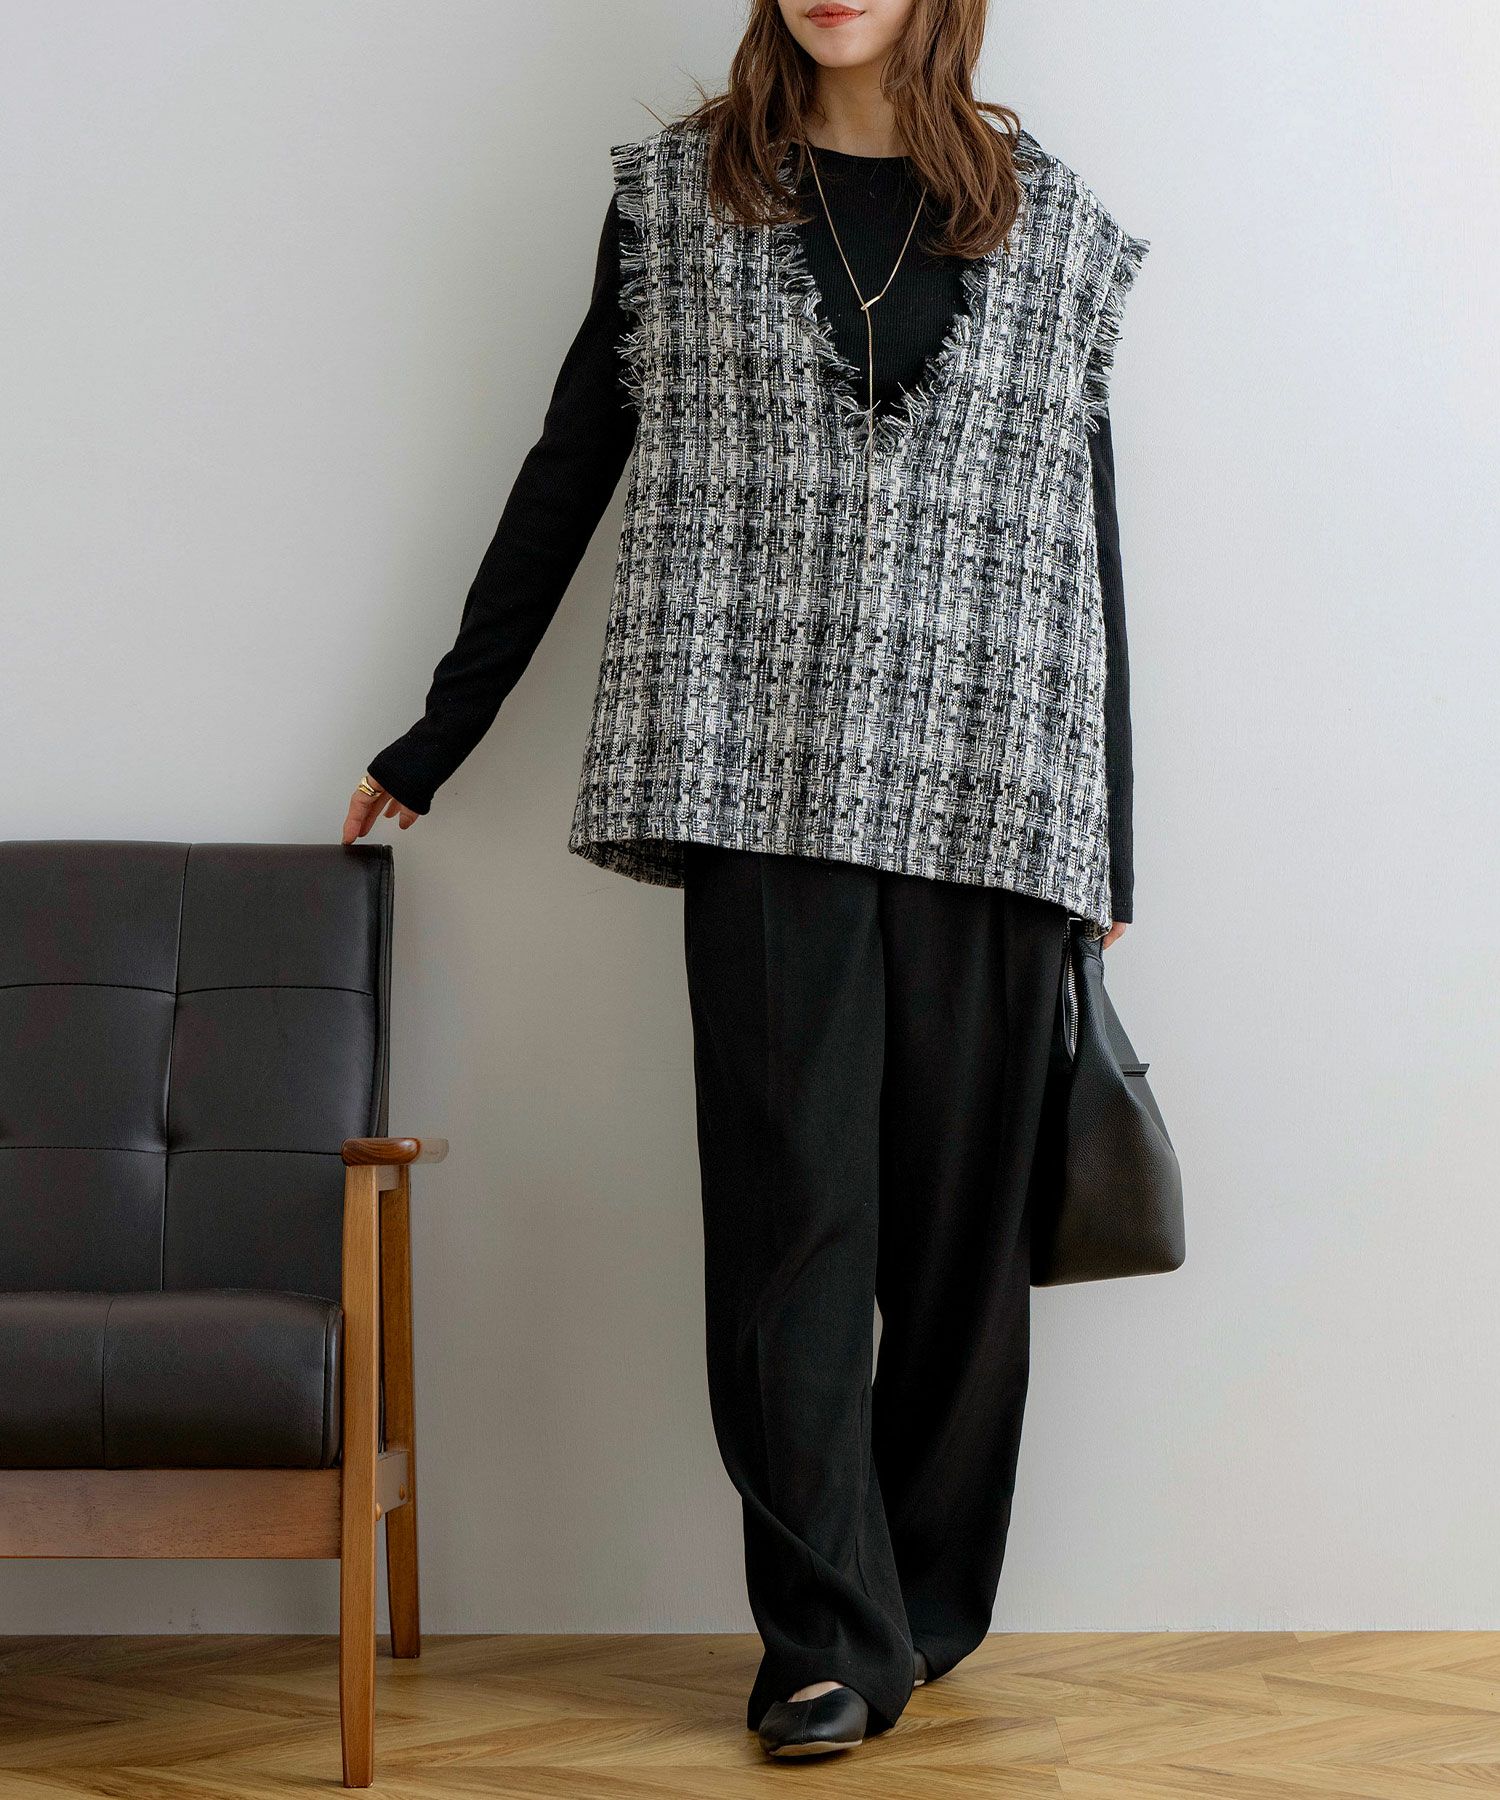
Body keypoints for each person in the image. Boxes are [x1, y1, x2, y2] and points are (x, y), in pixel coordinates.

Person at [342, 0, 1146, 1762]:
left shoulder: (1052, 223)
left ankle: (919, 1610)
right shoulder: (678, 200)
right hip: (756, 779)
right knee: (793, 1234)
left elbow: (1078, 542)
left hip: (995, 790)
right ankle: (821, 1641)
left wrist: (1113, 838)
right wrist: (442, 728)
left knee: (962, 1258)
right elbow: (573, 462)